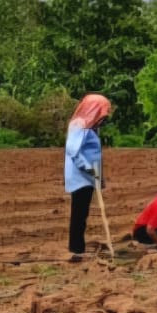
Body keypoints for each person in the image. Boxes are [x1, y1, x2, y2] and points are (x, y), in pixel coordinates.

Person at [65, 94, 114, 262]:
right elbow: (73, 152)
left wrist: (100, 178)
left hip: (89, 177)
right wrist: (90, 170)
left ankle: (78, 247)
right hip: (81, 177)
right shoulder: (80, 125)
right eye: (102, 112)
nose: (105, 117)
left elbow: (93, 154)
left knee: (82, 213)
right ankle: (77, 249)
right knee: (79, 213)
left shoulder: (92, 127)